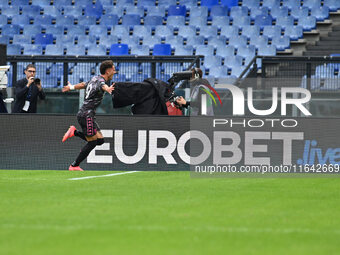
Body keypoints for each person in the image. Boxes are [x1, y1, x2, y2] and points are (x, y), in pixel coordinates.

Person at [61, 60, 115, 171]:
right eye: (113, 70)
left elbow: (83, 85)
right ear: (108, 71)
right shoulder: (101, 82)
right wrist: (108, 89)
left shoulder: (94, 78)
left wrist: (71, 88)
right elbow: (103, 86)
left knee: (100, 141)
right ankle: (74, 165)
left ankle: (74, 132)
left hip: (87, 114)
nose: (114, 72)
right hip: (86, 114)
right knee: (93, 142)